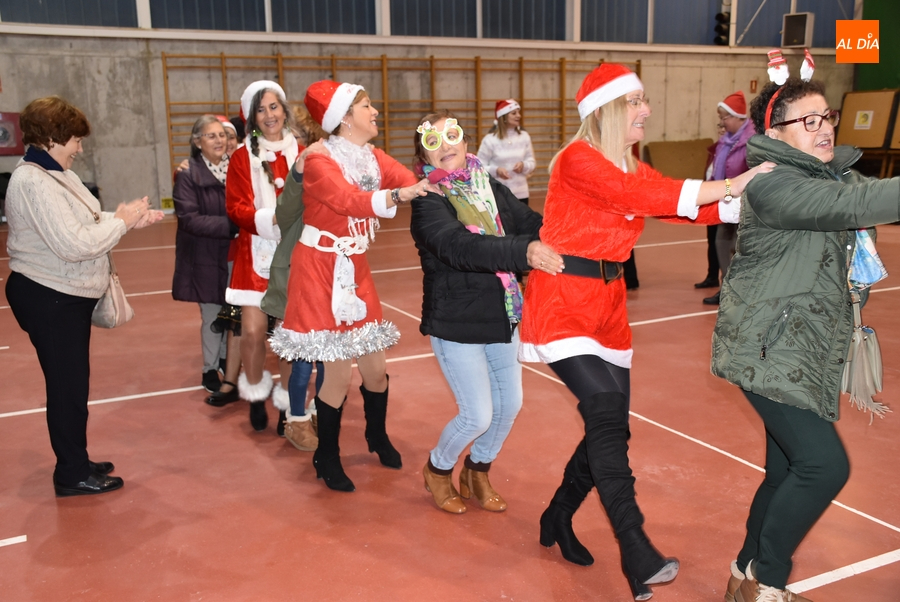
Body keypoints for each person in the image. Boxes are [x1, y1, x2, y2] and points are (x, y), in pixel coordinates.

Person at [517, 64, 773, 600]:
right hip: (562, 300)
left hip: (608, 307)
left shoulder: (629, 164)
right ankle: (635, 548)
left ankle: (557, 516)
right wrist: (733, 180)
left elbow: (679, 209)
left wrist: (755, 197)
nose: (647, 110)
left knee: (608, 427)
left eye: (644, 99)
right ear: (607, 109)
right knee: (607, 416)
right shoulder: (578, 160)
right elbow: (653, 198)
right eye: (635, 101)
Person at [713, 74, 898, 602]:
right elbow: (859, 206)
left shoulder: (831, 177)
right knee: (823, 466)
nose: (823, 129)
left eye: (827, 117)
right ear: (776, 130)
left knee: (786, 468)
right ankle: (767, 583)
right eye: (808, 120)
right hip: (768, 348)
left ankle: (743, 573)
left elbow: (870, 195)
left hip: (798, 348)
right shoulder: (773, 185)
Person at [269, 80, 429, 492]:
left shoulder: (371, 157)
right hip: (320, 270)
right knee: (337, 375)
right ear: (343, 118)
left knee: (376, 370)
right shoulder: (319, 160)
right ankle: (328, 455)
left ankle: (376, 436)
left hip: (354, 266)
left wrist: (441, 177)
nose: (375, 111)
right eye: (366, 105)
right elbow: (349, 201)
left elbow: (408, 177)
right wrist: (400, 194)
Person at [5, 96, 164, 496]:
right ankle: (71, 473)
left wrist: (127, 219)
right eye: (76, 140)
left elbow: (88, 220)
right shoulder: (32, 182)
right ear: (53, 137)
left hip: (62, 296)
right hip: (50, 297)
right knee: (67, 389)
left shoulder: (58, 175)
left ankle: (76, 458)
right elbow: (73, 244)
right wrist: (121, 224)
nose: (80, 147)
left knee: (73, 385)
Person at [410, 111, 563, 514]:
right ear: (423, 153)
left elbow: (528, 221)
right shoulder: (428, 200)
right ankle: (438, 469)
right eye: (434, 142)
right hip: (457, 323)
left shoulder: (487, 184)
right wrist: (522, 252)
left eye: (452, 136)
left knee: (508, 406)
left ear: (465, 140)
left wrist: (569, 231)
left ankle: (476, 472)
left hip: (502, 314)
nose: (446, 147)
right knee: (477, 414)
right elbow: (460, 248)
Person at [225, 80, 297, 432]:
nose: (269, 115)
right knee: (252, 333)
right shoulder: (241, 157)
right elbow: (236, 208)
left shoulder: (305, 151)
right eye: (261, 109)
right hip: (255, 253)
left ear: (284, 110)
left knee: (287, 336)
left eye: (274, 107)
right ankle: (254, 392)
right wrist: (273, 221)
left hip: (297, 256)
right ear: (251, 117)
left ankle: (286, 399)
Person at [259, 104, 325, 448]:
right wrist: (298, 175)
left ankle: (318, 412)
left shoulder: (329, 169)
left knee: (329, 358)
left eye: (296, 136)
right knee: (302, 361)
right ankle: (296, 419)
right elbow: (284, 215)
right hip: (298, 276)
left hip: (330, 276)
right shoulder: (298, 175)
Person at [172, 114, 237, 393]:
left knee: (231, 313)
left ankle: (225, 359)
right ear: (197, 142)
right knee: (212, 315)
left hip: (235, 254)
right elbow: (189, 218)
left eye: (221, 134)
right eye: (211, 136)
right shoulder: (188, 174)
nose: (219, 140)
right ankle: (209, 368)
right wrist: (231, 225)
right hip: (205, 256)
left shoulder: (236, 169)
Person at [702, 91, 755, 306]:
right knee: (721, 242)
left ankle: (741, 289)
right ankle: (726, 286)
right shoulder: (725, 141)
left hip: (745, 204)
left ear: (737, 117)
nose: (722, 122)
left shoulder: (752, 140)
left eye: (725, 117)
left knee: (741, 247)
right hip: (724, 201)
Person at [477, 99, 535, 205]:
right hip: (498, 193)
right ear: (503, 117)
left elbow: (531, 162)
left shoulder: (524, 137)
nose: (519, 116)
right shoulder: (489, 140)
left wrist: (524, 165)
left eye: (519, 112)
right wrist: (496, 170)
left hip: (521, 194)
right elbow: (478, 167)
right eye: (514, 113)